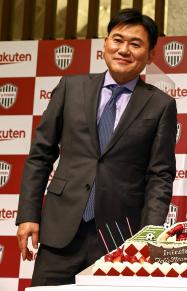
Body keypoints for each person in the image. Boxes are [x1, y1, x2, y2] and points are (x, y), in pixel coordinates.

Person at [15, 8, 177, 286]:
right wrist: (28, 214)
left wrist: (148, 235)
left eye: (135, 44)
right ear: (105, 44)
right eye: (118, 40)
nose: (124, 49)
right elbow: (40, 155)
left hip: (120, 237)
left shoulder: (160, 105)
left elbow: (160, 175)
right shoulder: (70, 87)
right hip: (60, 231)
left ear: (150, 55)